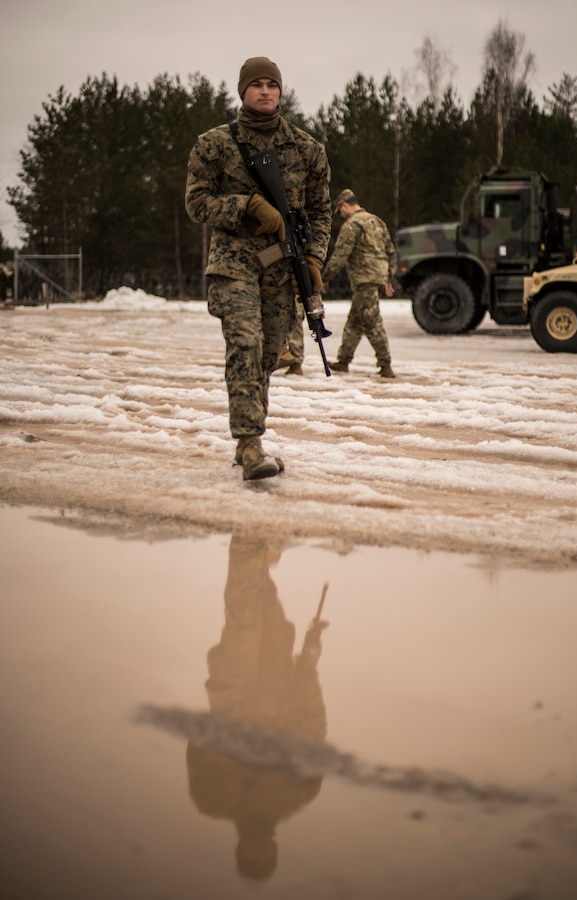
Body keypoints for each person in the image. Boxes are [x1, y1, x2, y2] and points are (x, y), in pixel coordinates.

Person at [185, 57, 331, 480]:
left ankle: (249, 438)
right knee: (245, 344)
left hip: (283, 267)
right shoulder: (214, 144)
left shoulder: (307, 149)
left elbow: (321, 212)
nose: (265, 91)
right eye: (257, 84)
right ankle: (250, 444)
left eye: (272, 84)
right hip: (234, 263)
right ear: (243, 91)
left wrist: (316, 257)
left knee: (268, 354)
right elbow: (196, 203)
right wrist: (245, 205)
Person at [186, 534, 328, 881]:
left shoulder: (212, 800)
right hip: (279, 684)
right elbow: (312, 725)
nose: (259, 849)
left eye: (254, 856)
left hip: (234, 695)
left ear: (242, 849)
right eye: (264, 856)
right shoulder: (300, 791)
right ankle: (259, 549)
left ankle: (249, 538)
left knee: (245, 619)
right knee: (267, 610)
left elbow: (197, 743)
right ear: (274, 850)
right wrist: (309, 663)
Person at [322, 189, 397, 378]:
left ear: (346, 205)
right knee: (355, 321)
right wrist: (388, 277)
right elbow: (390, 250)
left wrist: (324, 277)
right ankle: (343, 361)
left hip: (365, 279)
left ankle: (386, 365)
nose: (340, 215)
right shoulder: (377, 221)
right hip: (376, 277)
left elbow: (341, 255)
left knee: (371, 322)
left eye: (340, 210)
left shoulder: (352, 224)